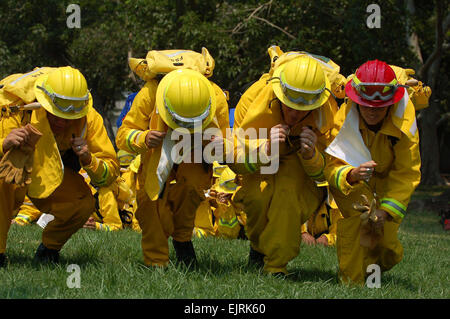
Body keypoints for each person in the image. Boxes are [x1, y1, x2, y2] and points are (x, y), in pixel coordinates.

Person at [231, 54, 340, 276]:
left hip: (298, 163)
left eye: (303, 108)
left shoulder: (328, 111)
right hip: (261, 157)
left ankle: (276, 267)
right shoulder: (252, 99)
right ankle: (258, 249)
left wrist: (311, 155)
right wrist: (265, 148)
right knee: (257, 199)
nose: (294, 113)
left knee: (287, 198)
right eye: (289, 105)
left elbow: (325, 172)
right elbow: (235, 159)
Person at [0, 66, 119, 266]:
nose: (62, 123)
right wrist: (4, 144)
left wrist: (89, 159)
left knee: (82, 203)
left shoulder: (89, 117)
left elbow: (110, 173)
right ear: (42, 102)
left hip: (52, 171)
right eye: (55, 114)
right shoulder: (14, 106)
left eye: (69, 117)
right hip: (14, 172)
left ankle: (49, 250)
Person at [116, 67, 229, 268]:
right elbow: (124, 134)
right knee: (150, 203)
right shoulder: (150, 93)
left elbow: (224, 141)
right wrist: (143, 137)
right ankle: (156, 263)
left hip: (195, 152)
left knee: (193, 187)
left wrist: (217, 145)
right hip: (156, 152)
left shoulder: (216, 97)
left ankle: (182, 240)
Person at [324, 60, 421, 284]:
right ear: (356, 100)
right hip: (354, 183)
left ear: (391, 102)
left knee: (387, 247)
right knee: (360, 218)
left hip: (388, 182)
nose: (371, 111)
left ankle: (373, 268)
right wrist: (350, 174)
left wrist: (385, 212)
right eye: (365, 104)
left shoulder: (405, 118)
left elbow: (407, 172)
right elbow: (330, 168)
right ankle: (351, 282)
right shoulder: (344, 117)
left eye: (379, 106)